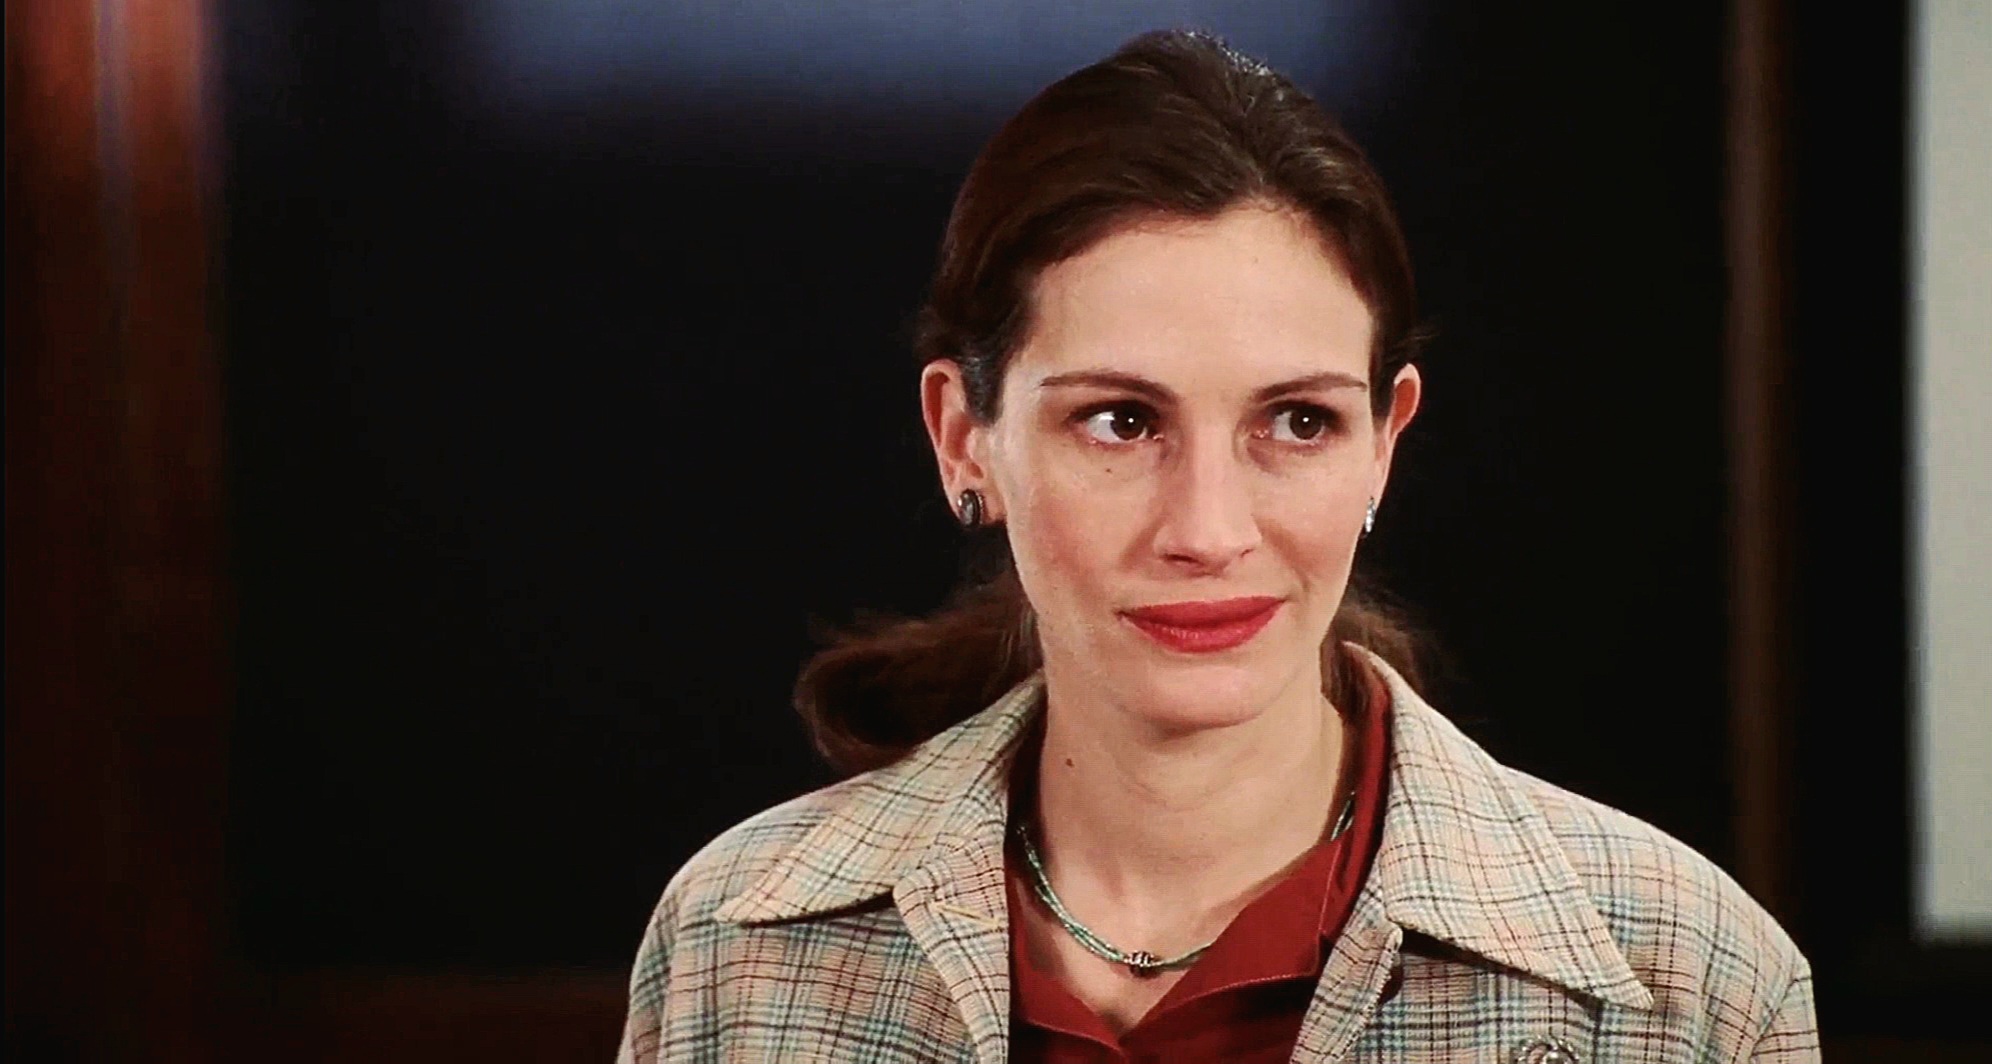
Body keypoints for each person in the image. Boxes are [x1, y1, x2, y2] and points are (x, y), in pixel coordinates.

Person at [617, 29, 1816, 1064]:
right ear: (963, 438)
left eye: (1297, 422)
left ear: (1385, 441)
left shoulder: (1691, 986)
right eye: (1119, 421)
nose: (1206, 530)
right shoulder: (736, 948)